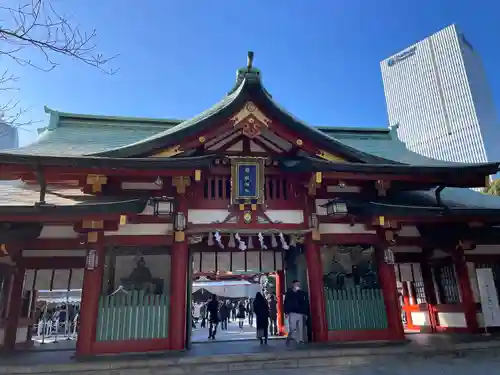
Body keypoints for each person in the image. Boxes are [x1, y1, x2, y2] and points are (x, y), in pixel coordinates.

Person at [284, 279, 309, 345]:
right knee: (293, 327)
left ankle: (300, 340)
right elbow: (286, 303)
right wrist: (286, 312)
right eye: (297, 284)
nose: (298, 285)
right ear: (293, 285)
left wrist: (305, 313)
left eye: (299, 284)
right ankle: (290, 336)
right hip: (292, 313)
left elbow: (304, 303)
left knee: (300, 327)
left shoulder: (301, 293)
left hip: (300, 312)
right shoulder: (289, 293)